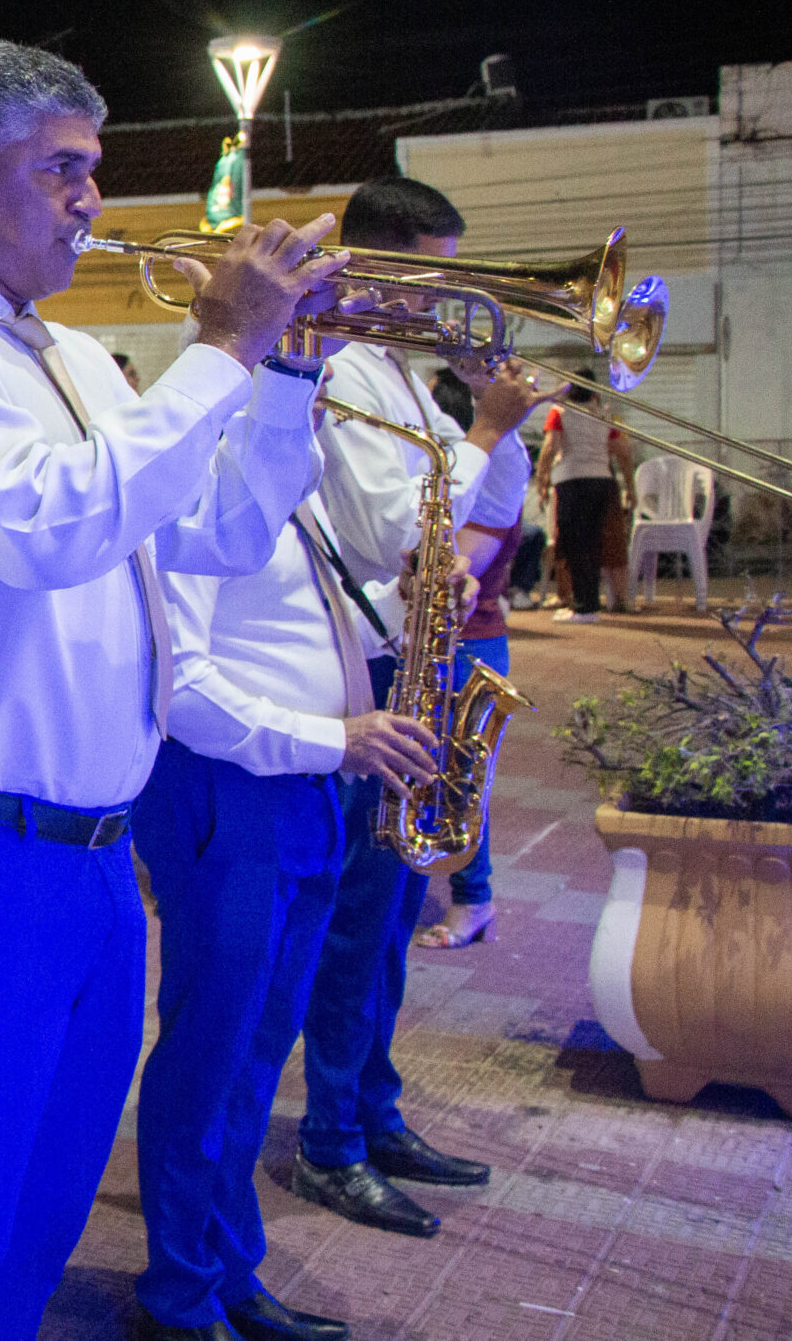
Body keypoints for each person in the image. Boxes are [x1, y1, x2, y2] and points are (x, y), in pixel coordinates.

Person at [0, 41, 339, 1340]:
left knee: (28, 1249)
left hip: (95, 867)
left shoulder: (82, 361)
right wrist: (221, 347)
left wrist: (284, 376)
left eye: (91, 172)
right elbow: (40, 526)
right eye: (61, 170)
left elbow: (215, 530)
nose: (90, 202)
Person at [133, 484, 440, 1341]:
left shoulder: (294, 481)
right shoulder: (201, 475)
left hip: (303, 788)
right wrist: (335, 740)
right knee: (211, 1048)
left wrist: (394, 610)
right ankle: (178, 1293)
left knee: (259, 1052)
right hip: (234, 788)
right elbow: (182, 681)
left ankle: (227, 1269)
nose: (336, 361)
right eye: (317, 344)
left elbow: (281, 636)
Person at [298, 176, 543, 1242]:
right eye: (435, 269)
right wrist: (485, 425)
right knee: (359, 920)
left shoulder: (401, 377)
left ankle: (373, 1107)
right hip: (370, 675)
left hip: (420, 662)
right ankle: (331, 1143)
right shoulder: (342, 373)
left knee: (396, 914)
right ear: (380, 266)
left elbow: (486, 516)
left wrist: (500, 428)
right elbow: (399, 536)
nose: (451, 292)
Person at [413, 369, 536, 950]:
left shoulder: (496, 463)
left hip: (473, 638)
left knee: (461, 781)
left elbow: (463, 562)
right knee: (440, 776)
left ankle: (474, 900)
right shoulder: (483, 459)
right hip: (468, 637)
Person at [540, 382, 632, 623]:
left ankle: (583, 606)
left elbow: (550, 447)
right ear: (594, 391)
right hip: (602, 482)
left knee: (573, 544)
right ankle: (589, 603)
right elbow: (622, 451)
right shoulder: (607, 415)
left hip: (571, 482)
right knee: (593, 544)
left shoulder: (558, 412)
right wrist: (630, 487)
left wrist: (542, 479)